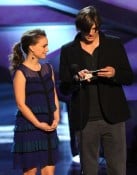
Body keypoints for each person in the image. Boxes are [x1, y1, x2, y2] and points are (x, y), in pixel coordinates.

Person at [59, 6, 134, 175]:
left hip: (113, 118)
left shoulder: (114, 44)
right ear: (79, 28)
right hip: (85, 119)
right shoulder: (68, 50)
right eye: (86, 30)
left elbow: (128, 77)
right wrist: (76, 79)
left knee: (117, 169)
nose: (91, 33)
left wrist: (114, 73)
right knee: (89, 170)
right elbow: (64, 87)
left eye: (94, 28)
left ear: (98, 25)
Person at [9, 29, 60, 175]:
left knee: (49, 172)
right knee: (30, 172)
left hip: (49, 125)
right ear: (32, 47)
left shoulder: (48, 69)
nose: (47, 49)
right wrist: (38, 124)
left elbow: (53, 94)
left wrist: (56, 117)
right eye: (44, 46)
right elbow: (21, 104)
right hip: (30, 127)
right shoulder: (21, 73)